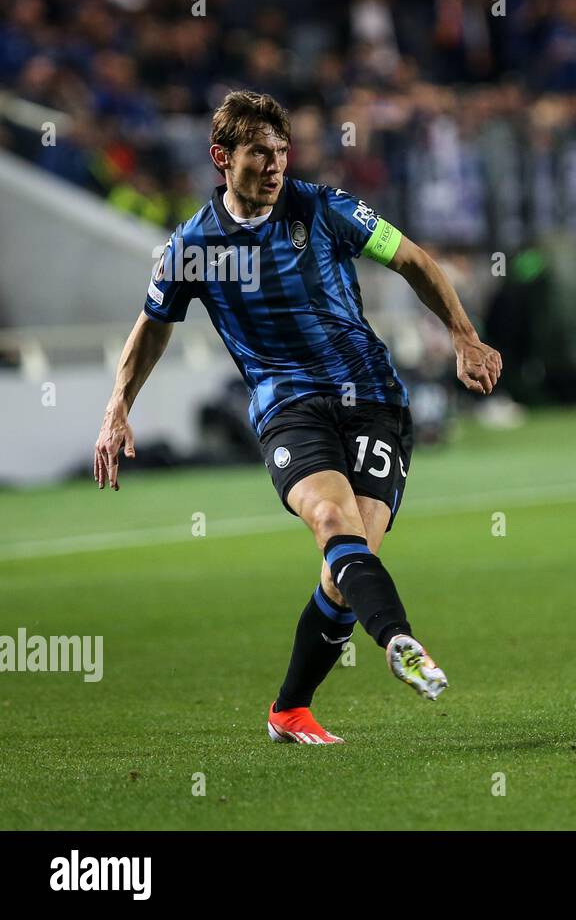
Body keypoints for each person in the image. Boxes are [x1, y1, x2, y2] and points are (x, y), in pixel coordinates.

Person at [92, 91, 503, 743]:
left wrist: (462, 334)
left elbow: (414, 261)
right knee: (330, 522)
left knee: (346, 569)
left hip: (372, 399)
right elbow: (152, 325)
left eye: (282, 151)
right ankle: (400, 641)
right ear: (222, 158)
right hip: (288, 407)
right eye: (261, 152)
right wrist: (117, 408)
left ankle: (289, 710)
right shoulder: (194, 245)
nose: (276, 163)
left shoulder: (325, 208)